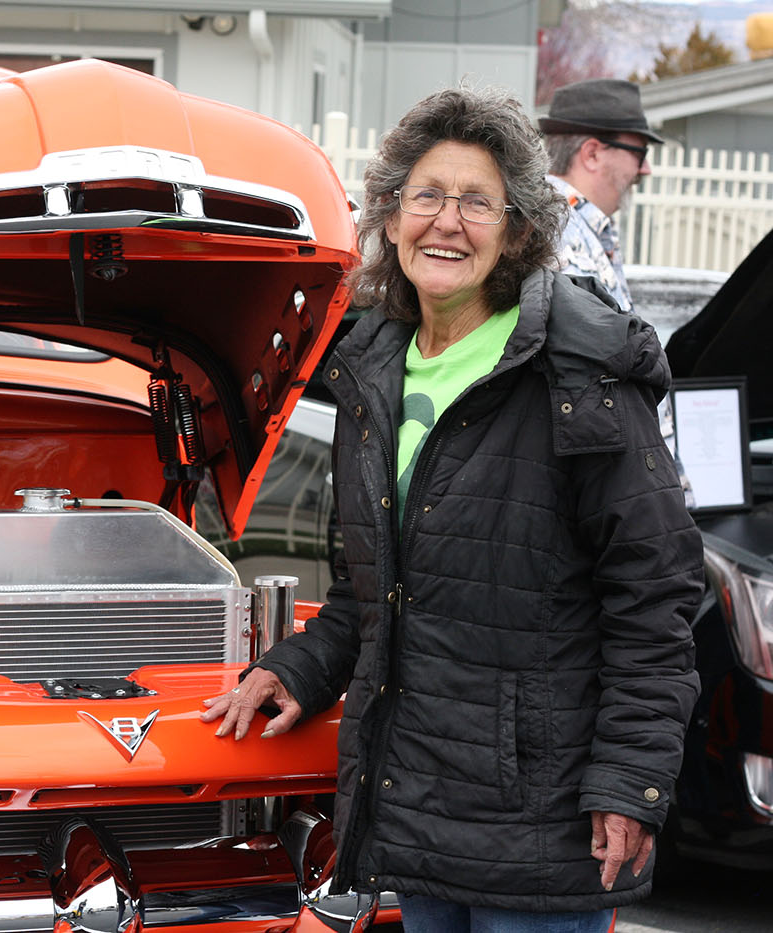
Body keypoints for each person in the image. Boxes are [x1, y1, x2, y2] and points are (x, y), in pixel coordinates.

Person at [201, 85, 702, 932]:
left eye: (477, 202)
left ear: (517, 230)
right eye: (426, 195)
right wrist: (299, 667)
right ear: (391, 215)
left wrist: (630, 781)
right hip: (419, 808)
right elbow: (375, 589)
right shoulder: (373, 368)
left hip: (546, 827)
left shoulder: (581, 374)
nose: (447, 222)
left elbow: (654, 599)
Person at [540, 78, 664, 313]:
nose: (646, 169)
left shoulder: (575, 225)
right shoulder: (558, 230)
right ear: (592, 154)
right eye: (640, 154)